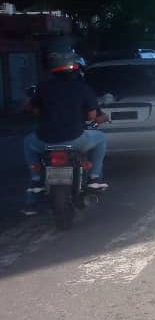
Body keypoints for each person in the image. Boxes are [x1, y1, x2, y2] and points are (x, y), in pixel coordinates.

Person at [23, 48, 109, 214]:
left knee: (28, 141)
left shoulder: (43, 87)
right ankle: (94, 178)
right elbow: (92, 116)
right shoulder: (82, 88)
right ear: (76, 69)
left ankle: (35, 180)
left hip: (44, 140)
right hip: (75, 139)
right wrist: (103, 118)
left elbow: (34, 111)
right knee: (101, 139)